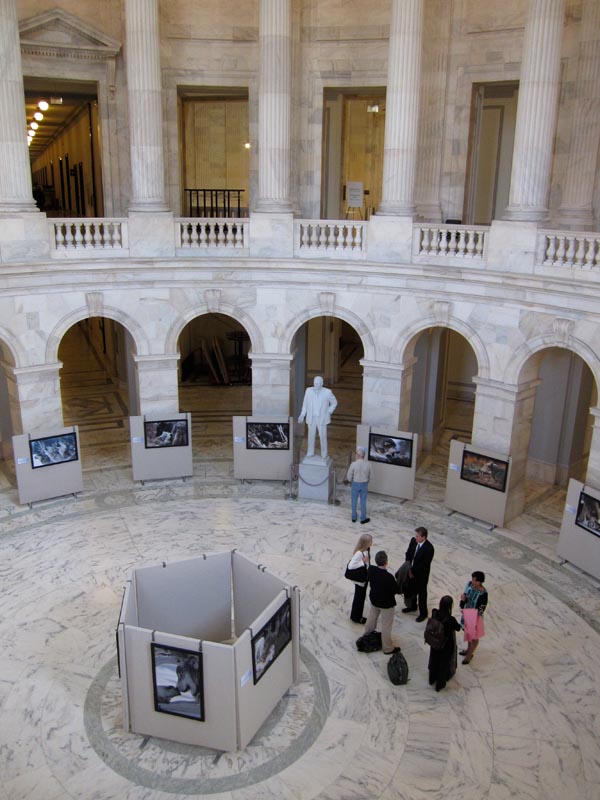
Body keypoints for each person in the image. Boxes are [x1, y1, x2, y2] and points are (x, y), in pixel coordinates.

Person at [363, 550, 400, 655]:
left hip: (374, 600)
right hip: (386, 605)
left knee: (371, 618)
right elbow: (395, 590)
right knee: (386, 625)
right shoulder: (389, 577)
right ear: (386, 562)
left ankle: (366, 636)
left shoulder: (371, 570)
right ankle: (388, 648)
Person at [427, 595, 462, 692]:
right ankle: (440, 684)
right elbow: (458, 628)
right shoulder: (450, 619)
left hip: (435, 643)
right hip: (445, 645)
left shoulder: (434, 612)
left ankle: (432, 678)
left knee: (434, 659)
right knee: (443, 664)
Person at [298, 376, 337, 460]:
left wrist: (329, 411)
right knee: (311, 436)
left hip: (322, 418)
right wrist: (302, 414)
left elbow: (334, 403)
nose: (316, 385)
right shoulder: (308, 391)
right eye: (315, 383)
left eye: (318, 383)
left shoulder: (327, 392)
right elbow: (305, 404)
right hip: (311, 417)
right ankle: (310, 451)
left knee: (322, 436)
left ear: (322, 384)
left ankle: (324, 453)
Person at [401, 526, 434, 622]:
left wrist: (413, 571)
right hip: (410, 571)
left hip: (421, 576)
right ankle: (412, 606)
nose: (416, 538)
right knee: (412, 590)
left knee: (422, 594)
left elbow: (424, 564)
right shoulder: (413, 541)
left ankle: (423, 613)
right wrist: (408, 567)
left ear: (423, 537)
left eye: (418, 536)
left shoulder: (429, 548)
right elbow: (408, 554)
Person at [459, 571, 488, 664]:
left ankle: (469, 655)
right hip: (468, 612)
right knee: (468, 634)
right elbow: (466, 595)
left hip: (475, 617)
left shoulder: (483, 594)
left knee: (474, 637)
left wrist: (474, 619)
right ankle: (468, 649)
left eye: (474, 580)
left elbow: (481, 609)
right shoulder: (469, 584)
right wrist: (463, 601)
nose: (472, 581)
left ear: (479, 582)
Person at [346, 533, 372, 623]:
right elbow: (350, 566)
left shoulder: (367, 550)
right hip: (360, 580)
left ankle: (357, 615)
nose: (372, 542)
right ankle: (356, 617)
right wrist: (362, 562)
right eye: (370, 541)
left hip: (364, 578)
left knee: (360, 598)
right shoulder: (359, 553)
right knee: (358, 599)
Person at [345, 446, 371, 524]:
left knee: (354, 500)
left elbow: (349, 475)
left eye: (356, 454)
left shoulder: (353, 464)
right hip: (364, 484)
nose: (355, 455)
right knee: (363, 501)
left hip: (355, 484)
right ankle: (363, 519)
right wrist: (367, 481)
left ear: (360, 455)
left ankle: (354, 517)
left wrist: (351, 481)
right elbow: (371, 476)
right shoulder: (368, 464)